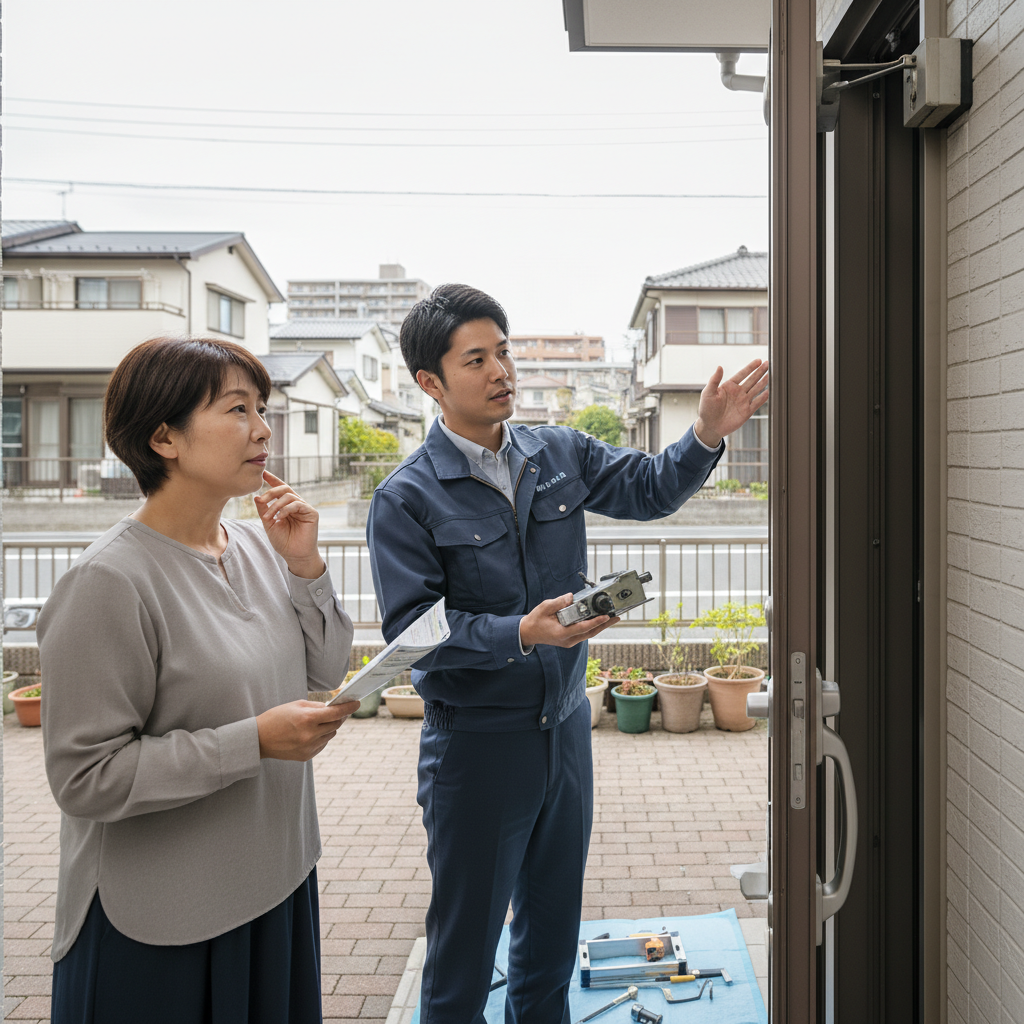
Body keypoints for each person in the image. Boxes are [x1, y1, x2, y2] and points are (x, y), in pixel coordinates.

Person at [366, 284, 770, 1024]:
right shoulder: (407, 496)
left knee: (550, 946)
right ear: (431, 383)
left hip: (564, 737)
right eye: (478, 358)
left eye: (506, 351)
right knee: (461, 959)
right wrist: (522, 631)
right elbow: (413, 638)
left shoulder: (555, 451)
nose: (503, 371)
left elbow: (649, 488)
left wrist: (705, 435)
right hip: (478, 752)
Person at [39, 336, 359, 1024]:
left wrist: (305, 565)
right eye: (238, 410)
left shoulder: (253, 543)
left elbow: (325, 670)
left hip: (275, 879)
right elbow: (84, 777)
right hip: (160, 920)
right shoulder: (107, 581)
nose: (264, 429)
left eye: (263, 408)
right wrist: (254, 743)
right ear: (164, 438)